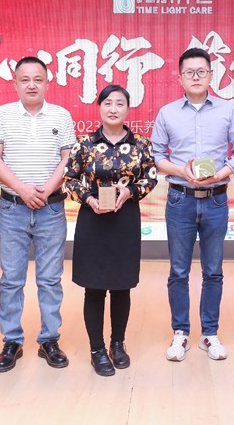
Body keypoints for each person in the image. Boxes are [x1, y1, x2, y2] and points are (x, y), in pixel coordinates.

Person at [151, 47, 234, 362]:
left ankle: (210, 333)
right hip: (180, 198)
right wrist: (181, 170)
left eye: (201, 72)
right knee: (178, 271)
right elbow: (156, 156)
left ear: (210, 75)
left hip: (216, 198)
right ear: (179, 77)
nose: (195, 77)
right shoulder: (167, 112)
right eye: (189, 72)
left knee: (213, 271)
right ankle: (180, 333)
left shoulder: (226, 110)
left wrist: (222, 173)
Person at [0, 56, 76, 372]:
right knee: (11, 278)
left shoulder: (62, 115)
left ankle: (49, 340)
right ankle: (11, 341)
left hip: (52, 207)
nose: (32, 85)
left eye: (38, 79)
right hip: (13, 207)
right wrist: (23, 189)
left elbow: (68, 160)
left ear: (48, 82)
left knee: (50, 279)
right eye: (25, 79)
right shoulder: (1, 115)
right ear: (15, 83)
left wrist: (45, 190)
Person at [63, 85, 158, 376]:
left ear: (128, 108)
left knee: (121, 285)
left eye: (119, 103)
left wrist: (130, 191)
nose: (113, 108)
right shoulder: (85, 143)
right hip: (93, 219)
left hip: (124, 218)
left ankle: (118, 344)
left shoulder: (141, 144)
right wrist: (88, 198)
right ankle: (97, 349)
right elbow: (70, 179)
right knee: (94, 287)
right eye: (108, 103)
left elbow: (151, 177)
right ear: (99, 107)